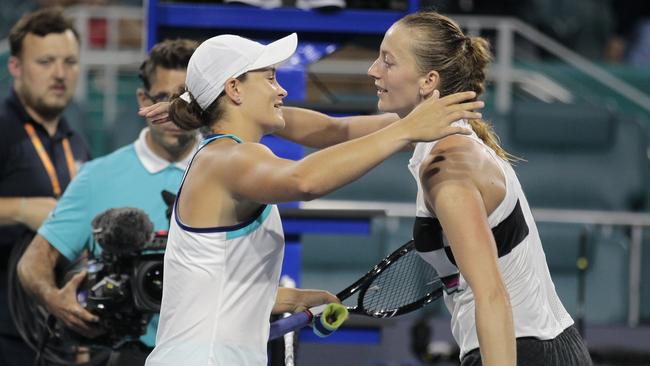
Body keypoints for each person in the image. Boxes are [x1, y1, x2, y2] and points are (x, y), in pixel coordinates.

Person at [143, 32, 482, 366]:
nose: (282, 89)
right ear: (234, 89)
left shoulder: (218, 156)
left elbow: (335, 131)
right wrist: (407, 130)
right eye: (271, 78)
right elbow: (304, 181)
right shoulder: (228, 159)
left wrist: (292, 299)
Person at [366, 11, 591, 366]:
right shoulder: (440, 136)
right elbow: (332, 131)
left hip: (517, 349)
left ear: (429, 81)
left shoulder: (448, 170)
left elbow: (491, 295)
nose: (373, 70)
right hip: (538, 345)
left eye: (387, 61)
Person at [17, 39, 201, 366]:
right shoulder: (97, 178)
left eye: (186, 100)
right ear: (143, 99)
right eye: (163, 99)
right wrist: (55, 299)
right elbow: (33, 262)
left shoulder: (231, 169)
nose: (174, 112)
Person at [0, 8, 91, 366]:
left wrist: (82, 337)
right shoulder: (4, 131)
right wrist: (23, 209)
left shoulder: (76, 143)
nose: (59, 73)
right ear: (16, 67)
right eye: (46, 61)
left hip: (56, 335)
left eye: (69, 61)